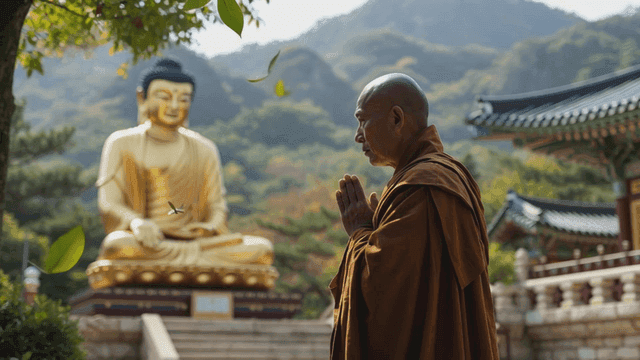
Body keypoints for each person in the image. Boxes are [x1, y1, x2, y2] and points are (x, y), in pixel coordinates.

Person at [330, 73, 500, 359]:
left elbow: (384, 290)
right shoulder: (450, 176)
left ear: (396, 119)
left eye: (362, 121)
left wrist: (360, 232)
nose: (358, 135)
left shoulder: (421, 186)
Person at [88, 58, 275, 290]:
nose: (174, 105)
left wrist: (211, 226)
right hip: (149, 246)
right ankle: (194, 272)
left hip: (198, 246)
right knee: (118, 246)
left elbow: (217, 207)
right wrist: (136, 222)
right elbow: (108, 203)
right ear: (142, 98)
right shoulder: (122, 143)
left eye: (183, 99)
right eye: (164, 97)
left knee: (261, 250)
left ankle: (187, 270)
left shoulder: (204, 148)